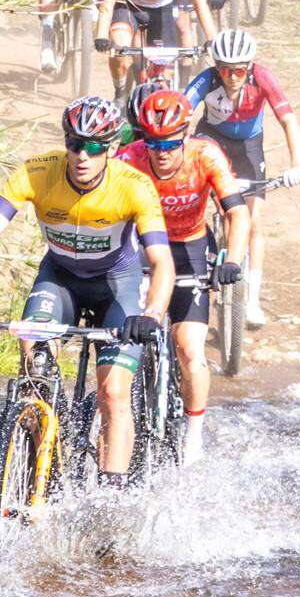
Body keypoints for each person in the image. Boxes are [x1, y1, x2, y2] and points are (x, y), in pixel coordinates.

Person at [0, 97, 175, 487]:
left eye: (94, 147)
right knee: (33, 373)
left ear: (109, 149)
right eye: (75, 143)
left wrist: (152, 315)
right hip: (59, 281)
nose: (82, 155)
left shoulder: (134, 186)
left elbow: (162, 262)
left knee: (112, 393)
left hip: (117, 287)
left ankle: (113, 496)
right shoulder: (38, 172)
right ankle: (41, 471)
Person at [116, 88, 248, 463]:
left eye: (171, 144)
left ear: (186, 136)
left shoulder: (205, 155)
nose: (162, 154)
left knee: (190, 348)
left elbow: (237, 213)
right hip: (142, 247)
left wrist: (232, 261)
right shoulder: (128, 159)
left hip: (190, 249)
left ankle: (193, 433)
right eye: (153, 144)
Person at [183, 28, 300, 328]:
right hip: (212, 141)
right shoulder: (207, 80)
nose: (232, 76)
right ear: (216, 66)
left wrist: (296, 164)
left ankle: (251, 300)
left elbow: (288, 120)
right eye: (225, 69)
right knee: (220, 207)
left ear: (249, 67)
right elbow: (182, 112)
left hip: (249, 148)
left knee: (253, 221)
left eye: (239, 70)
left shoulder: (262, 77)